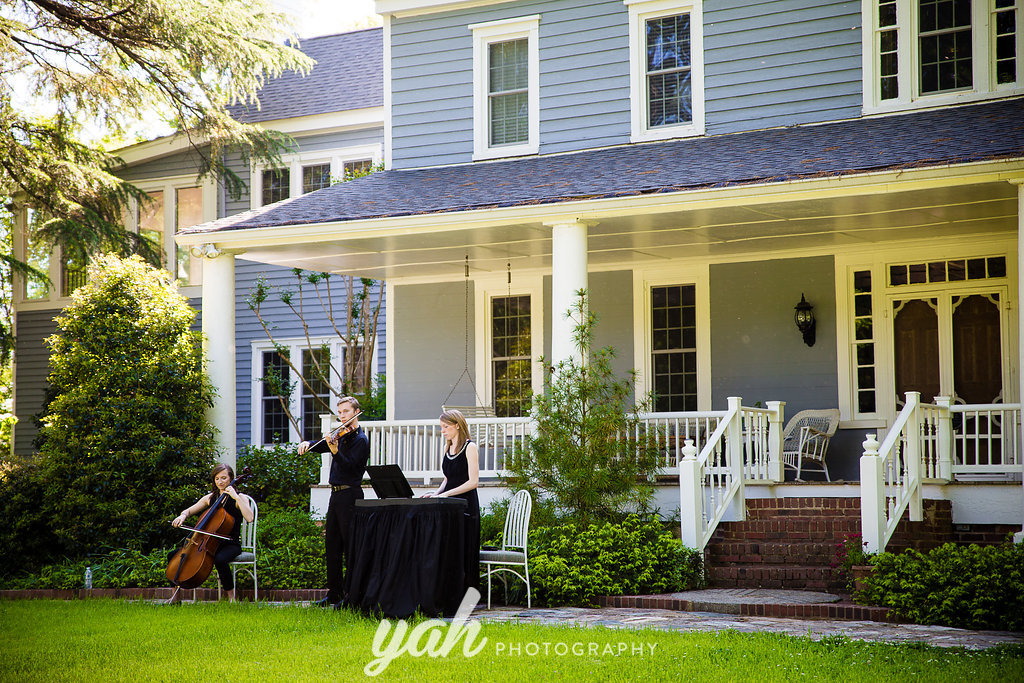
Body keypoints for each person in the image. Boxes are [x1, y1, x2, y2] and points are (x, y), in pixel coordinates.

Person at [298, 395, 369, 608]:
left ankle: (350, 596)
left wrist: (336, 451)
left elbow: (351, 468)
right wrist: (308, 444)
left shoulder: (361, 440)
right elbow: (322, 445)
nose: (342, 416)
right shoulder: (341, 435)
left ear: (356, 413)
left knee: (350, 547)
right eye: (339, 413)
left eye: (346, 412)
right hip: (336, 496)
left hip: (351, 495)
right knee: (333, 546)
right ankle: (334, 593)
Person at [167, 463, 254, 604]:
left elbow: (250, 518)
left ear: (231, 478)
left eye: (224, 478)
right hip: (207, 544)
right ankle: (175, 598)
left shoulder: (240, 498)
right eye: (217, 478)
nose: (220, 482)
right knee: (172, 555)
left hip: (230, 544)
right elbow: (189, 510)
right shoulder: (210, 498)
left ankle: (231, 598)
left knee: (220, 559)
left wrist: (236, 497)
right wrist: (182, 516)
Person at [421, 409, 480, 591]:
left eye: (446, 427)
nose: (443, 431)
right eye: (442, 428)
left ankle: (467, 594)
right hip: (450, 507)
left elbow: (473, 482)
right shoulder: (448, 448)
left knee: (465, 551)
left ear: (457, 425)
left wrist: (446, 495)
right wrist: (436, 494)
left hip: (466, 507)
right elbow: (447, 479)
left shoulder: (470, 447)